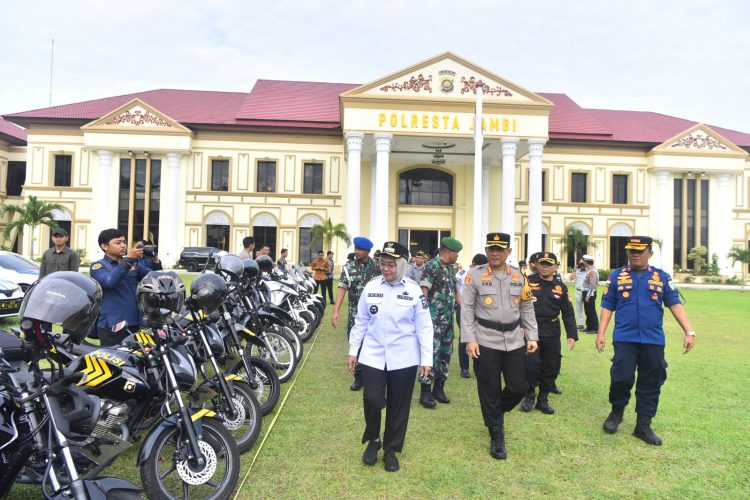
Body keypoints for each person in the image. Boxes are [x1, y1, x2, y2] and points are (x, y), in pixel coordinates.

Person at [596, 236, 695, 446]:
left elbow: (675, 305)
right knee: (621, 378)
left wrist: (689, 331)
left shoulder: (662, 277)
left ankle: (643, 425)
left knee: (651, 382)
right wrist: (601, 332)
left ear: (650, 253)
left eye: (640, 251)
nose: (635, 254)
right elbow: (607, 305)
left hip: (653, 340)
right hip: (624, 338)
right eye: (631, 251)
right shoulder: (617, 276)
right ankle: (616, 414)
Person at [348, 242, 433, 472]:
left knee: (399, 405)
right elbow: (361, 321)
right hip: (373, 354)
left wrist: (427, 359)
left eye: (391, 264)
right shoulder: (372, 286)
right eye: (383, 264)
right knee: (373, 399)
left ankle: (391, 449)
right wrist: (353, 351)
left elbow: (424, 327)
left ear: (403, 265)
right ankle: (373, 440)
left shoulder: (414, 290)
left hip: (404, 357)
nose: (385, 269)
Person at [461, 232, 538, 460]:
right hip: (485, 340)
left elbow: (526, 307)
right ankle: (497, 434)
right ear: (486, 251)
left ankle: (494, 412)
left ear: (509, 252)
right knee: (489, 388)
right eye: (491, 249)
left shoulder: (518, 276)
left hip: (514, 340)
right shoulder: (474, 275)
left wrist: (532, 335)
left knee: (519, 386)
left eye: (500, 249)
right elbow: (466, 310)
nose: (495, 253)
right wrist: (469, 339)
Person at [520, 252, 578, 414]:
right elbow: (517, 305)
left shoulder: (561, 288)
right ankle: (529, 394)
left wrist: (572, 334)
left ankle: (543, 398)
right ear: (537, 265)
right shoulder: (527, 282)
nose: (544, 266)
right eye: (542, 263)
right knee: (531, 364)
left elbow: (567, 312)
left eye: (548, 264)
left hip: (551, 331)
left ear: (555, 267)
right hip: (531, 330)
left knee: (551, 366)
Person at [418, 237, 462, 408]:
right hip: (432, 320)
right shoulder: (432, 266)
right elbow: (424, 292)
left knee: (445, 353)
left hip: (447, 320)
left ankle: (439, 388)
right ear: (448, 252)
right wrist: (423, 319)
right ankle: (425, 392)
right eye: (456, 253)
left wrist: (465, 309)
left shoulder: (451, 269)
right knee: (431, 354)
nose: (457, 256)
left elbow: (456, 291)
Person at [333, 237, 380, 390]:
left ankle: (371, 376)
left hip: (375, 315)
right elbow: (342, 288)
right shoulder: (348, 268)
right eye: (356, 248)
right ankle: (358, 378)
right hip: (355, 314)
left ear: (368, 251)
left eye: (360, 249)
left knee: (373, 344)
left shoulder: (377, 268)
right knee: (356, 343)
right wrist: (336, 311)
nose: (357, 252)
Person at [90, 228, 152, 346]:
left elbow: (154, 277)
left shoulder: (133, 264)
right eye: (118, 243)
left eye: (124, 242)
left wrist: (154, 258)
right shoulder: (98, 266)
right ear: (104, 246)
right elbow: (109, 282)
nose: (123, 245)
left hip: (134, 322)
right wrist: (128, 260)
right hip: (113, 324)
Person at [455, 253, 488, 379]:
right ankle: (464, 368)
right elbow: (457, 291)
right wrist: (464, 308)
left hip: (480, 310)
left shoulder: (485, 274)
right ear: (473, 265)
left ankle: (478, 366)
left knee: (480, 337)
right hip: (464, 309)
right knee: (465, 338)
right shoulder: (463, 274)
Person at [581, 255, 599, 333]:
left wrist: (588, 295)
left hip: (590, 293)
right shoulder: (589, 270)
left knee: (591, 311)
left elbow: (592, 285)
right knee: (587, 311)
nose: (583, 262)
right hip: (587, 292)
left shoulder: (592, 272)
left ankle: (594, 328)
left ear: (586, 262)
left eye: (584, 261)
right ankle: (589, 326)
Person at [569, 260, 588, 331]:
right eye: (580, 264)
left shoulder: (588, 271)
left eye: (583, 264)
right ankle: (580, 324)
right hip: (578, 291)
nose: (582, 266)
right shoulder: (577, 271)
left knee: (588, 309)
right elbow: (571, 278)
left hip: (586, 291)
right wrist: (574, 270)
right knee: (579, 308)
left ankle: (589, 324)